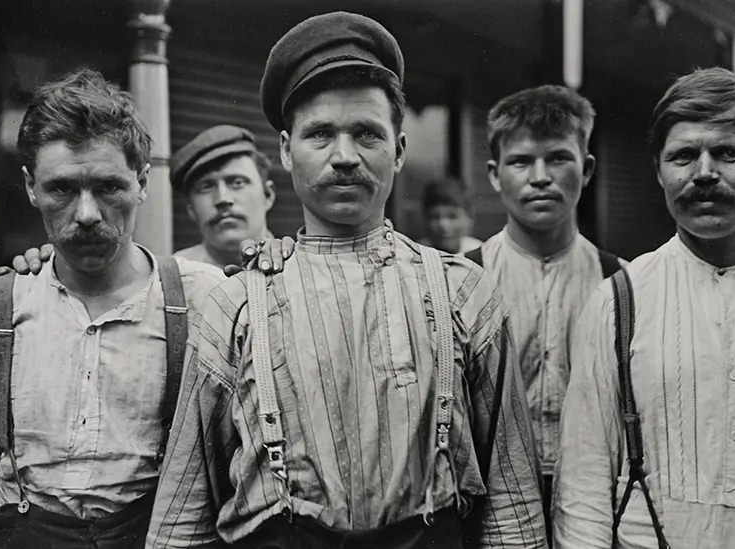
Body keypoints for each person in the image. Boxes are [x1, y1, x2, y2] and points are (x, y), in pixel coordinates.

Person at [147, 11, 546, 549]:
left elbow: (512, 498)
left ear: (399, 151)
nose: (343, 157)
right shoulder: (236, 303)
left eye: (366, 134)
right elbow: (184, 513)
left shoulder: (460, 292)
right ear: (287, 151)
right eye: (320, 135)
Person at [0, 69, 223, 548]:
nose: (88, 214)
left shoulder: (205, 298)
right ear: (31, 187)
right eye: (62, 189)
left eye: (109, 187)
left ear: (142, 182)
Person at [554, 67, 735, 548]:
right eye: (683, 156)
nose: (704, 173)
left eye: (728, 152)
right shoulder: (620, 300)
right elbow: (584, 483)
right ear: (659, 169)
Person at [464, 85, 623, 533]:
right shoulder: (462, 281)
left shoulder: (622, 283)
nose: (540, 177)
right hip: (491, 507)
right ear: (495, 174)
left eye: (558, 158)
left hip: (596, 503)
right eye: (520, 161)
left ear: (587, 168)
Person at [170, 125, 277, 269]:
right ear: (190, 209)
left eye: (237, 182)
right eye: (205, 187)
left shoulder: (298, 268)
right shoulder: (174, 276)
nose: (222, 198)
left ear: (267, 195)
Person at [419, 178, 483, 255]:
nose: (443, 225)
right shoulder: (416, 253)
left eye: (452, 217)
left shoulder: (480, 253)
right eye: (435, 217)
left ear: (469, 218)